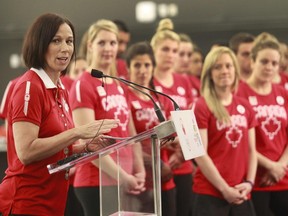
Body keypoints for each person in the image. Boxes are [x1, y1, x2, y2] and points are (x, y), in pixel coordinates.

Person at [0, 13, 118, 216]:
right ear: (39, 44)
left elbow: (55, 147)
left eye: (69, 41)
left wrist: (86, 147)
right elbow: (26, 152)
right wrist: (78, 132)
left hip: (51, 201)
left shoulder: (60, 88)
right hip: (26, 201)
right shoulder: (29, 86)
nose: (65, 48)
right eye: (56, 41)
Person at [69, 19, 145, 216]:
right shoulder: (82, 84)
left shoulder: (119, 84)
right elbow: (89, 144)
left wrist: (140, 170)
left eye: (113, 43)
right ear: (90, 46)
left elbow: (131, 133)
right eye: (102, 43)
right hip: (95, 181)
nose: (108, 48)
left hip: (124, 178)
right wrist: (123, 176)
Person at [193, 46, 257, 216]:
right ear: (209, 73)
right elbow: (200, 154)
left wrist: (249, 183)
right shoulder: (201, 105)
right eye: (218, 67)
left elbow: (252, 151)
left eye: (228, 66)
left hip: (242, 192)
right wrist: (224, 189)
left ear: (235, 70)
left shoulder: (245, 106)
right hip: (211, 193)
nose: (224, 71)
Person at [236, 32, 288, 216]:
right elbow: (241, 141)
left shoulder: (283, 93)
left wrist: (280, 166)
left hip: (283, 176)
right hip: (255, 179)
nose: (269, 67)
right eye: (264, 61)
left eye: (274, 63)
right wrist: (270, 166)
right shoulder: (239, 93)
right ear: (253, 61)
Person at [125, 41, 177, 215]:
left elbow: (172, 135)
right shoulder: (124, 96)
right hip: (139, 179)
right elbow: (127, 141)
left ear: (153, 67)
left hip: (163, 177)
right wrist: (156, 163)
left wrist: (179, 149)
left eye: (147, 65)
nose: (142, 70)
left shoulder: (159, 97)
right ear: (128, 68)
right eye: (137, 65)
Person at [150, 18, 194, 216]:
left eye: (174, 51)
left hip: (183, 161)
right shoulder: (148, 82)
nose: (171, 55)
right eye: (165, 49)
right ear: (154, 51)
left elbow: (190, 121)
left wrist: (183, 152)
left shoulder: (183, 81)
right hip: (158, 163)